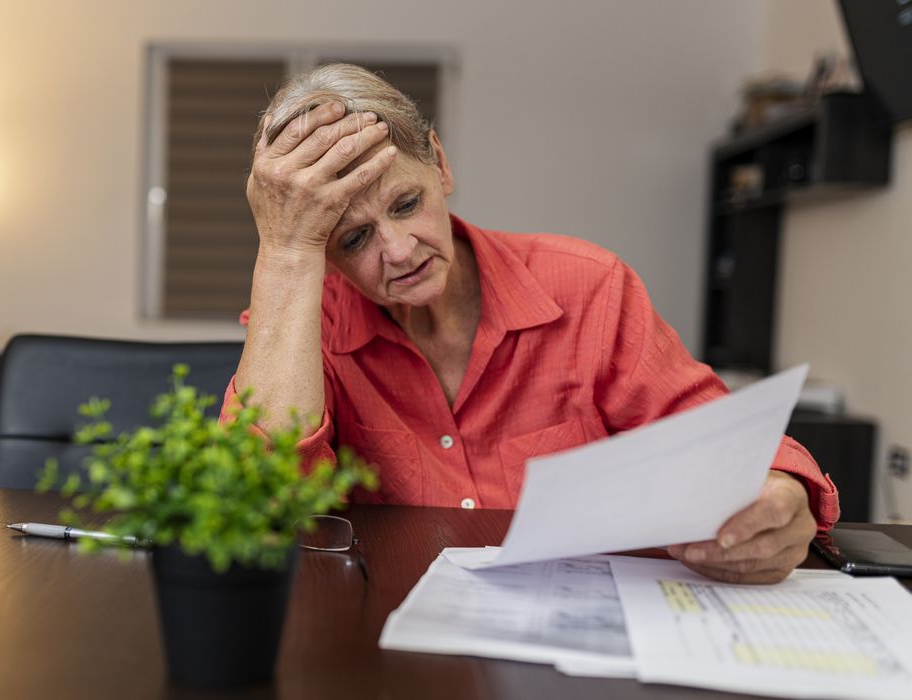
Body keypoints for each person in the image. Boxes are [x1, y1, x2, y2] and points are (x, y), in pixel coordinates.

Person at [223, 63, 838, 584]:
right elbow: (256, 505)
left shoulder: (587, 286)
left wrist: (780, 490)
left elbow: (718, 441)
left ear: (438, 163)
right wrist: (285, 252)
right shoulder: (310, 320)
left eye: (406, 204)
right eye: (353, 238)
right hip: (389, 641)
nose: (401, 250)